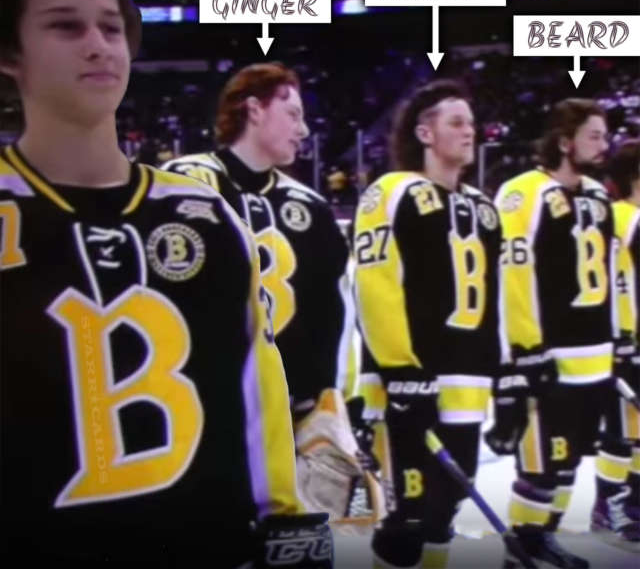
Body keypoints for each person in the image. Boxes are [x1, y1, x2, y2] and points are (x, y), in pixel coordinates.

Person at [0, 0, 333, 567]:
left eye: (112, 27)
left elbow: (252, 388)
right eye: (65, 26)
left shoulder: (206, 213)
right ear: (10, 51)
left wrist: (289, 520)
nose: (99, 44)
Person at [161, 63, 378, 525]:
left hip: (287, 420)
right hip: (200, 416)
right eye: (293, 114)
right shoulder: (182, 184)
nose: (303, 130)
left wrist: (335, 399)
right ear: (254, 109)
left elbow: (335, 317)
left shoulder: (312, 209)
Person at [353, 80, 504, 568]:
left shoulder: (484, 207)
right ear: (424, 132)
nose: (469, 131)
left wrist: (507, 377)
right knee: (407, 521)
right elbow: (375, 285)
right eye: (456, 122)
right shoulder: (393, 191)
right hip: (410, 383)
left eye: (471, 122)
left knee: (444, 513)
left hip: (468, 385)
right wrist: (399, 372)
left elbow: (494, 298)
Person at [489, 98, 613, 568]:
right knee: (541, 464)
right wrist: (523, 352)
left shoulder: (599, 196)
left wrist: (621, 341)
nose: (604, 145)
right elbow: (512, 279)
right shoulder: (524, 194)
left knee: (570, 462)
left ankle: (544, 539)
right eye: (595, 136)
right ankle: (521, 547)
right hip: (550, 358)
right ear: (565, 142)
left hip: (596, 358)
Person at [590, 141, 640, 550]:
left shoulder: (611, 216)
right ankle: (612, 504)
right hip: (627, 339)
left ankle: (624, 502)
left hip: (615, 337)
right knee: (623, 430)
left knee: (630, 429)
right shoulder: (631, 220)